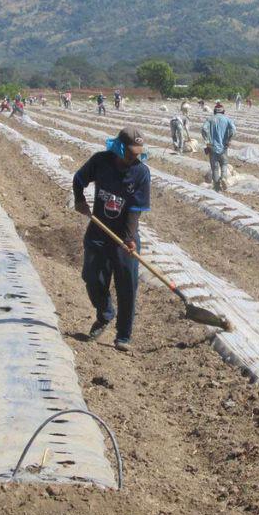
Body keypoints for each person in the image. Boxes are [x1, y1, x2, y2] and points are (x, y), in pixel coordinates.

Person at [73, 126, 151, 352]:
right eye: (130, 152)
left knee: (127, 284)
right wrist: (80, 200)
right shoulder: (100, 161)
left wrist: (128, 238)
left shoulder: (141, 172)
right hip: (98, 231)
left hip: (125, 234)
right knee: (92, 276)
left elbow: (135, 209)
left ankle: (123, 335)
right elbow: (79, 179)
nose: (134, 157)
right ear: (119, 147)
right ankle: (106, 313)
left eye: (138, 153)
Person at [201, 101, 236, 191]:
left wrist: (207, 141)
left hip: (212, 147)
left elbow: (204, 129)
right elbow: (233, 130)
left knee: (215, 168)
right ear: (223, 111)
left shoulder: (210, 119)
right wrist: (229, 140)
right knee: (224, 164)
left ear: (215, 111)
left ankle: (217, 187)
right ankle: (223, 178)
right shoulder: (227, 119)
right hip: (223, 147)